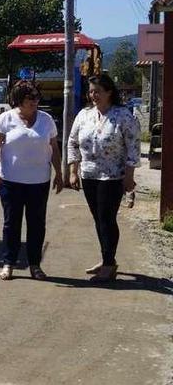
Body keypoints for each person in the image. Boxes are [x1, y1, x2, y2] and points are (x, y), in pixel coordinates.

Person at [67, 74, 140, 282]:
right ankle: (107, 258)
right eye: (91, 91)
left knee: (107, 219)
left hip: (112, 176)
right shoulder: (84, 115)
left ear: (109, 92)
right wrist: (73, 170)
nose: (93, 95)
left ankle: (109, 264)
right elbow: (72, 142)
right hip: (89, 174)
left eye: (97, 91)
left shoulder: (123, 116)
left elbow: (133, 148)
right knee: (98, 219)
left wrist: (129, 176)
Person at [0, 80, 63, 281]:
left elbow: (54, 149)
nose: (35, 101)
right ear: (19, 100)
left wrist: (59, 173)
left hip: (39, 182)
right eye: (30, 98)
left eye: (37, 97)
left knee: (37, 224)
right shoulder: (5, 119)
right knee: (11, 223)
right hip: (11, 181)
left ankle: (35, 264)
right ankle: (8, 263)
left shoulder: (46, 120)